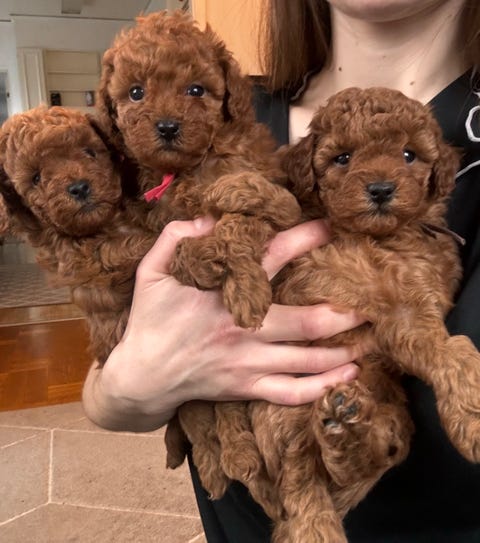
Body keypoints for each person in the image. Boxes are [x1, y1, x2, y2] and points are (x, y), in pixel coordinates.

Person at [82, 0, 480, 541]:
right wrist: (128, 387)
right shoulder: (234, 120)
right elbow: (109, 350)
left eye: (410, 157)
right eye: (340, 160)